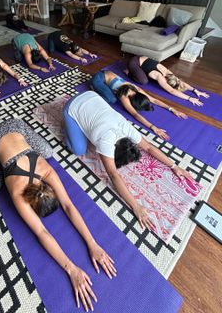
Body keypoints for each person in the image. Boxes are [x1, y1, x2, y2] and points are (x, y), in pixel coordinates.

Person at [0, 118, 117, 311]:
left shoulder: (46, 171)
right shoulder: (18, 193)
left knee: (49, 152)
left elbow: (68, 206)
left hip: (18, 127)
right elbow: (41, 232)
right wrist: (70, 268)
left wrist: (92, 243)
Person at [63, 91, 193, 230]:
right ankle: (68, 123)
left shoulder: (128, 131)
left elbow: (148, 147)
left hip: (93, 95)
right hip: (73, 105)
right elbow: (113, 174)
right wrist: (136, 206)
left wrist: (174, 166)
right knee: (79, 150)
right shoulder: (105, 142)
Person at [91, 70, 187, 140]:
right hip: (99, 78)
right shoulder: (124, 96)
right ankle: (93, 88)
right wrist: (153, 127)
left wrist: (172, 109)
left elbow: (154, 100)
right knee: (112, 99)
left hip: (109, 73)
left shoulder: (137, 90)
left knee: (113, 97)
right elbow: (135, 114)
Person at [126, 56, 210, 105]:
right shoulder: (160, 77)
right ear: (167, 82)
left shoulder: (170, 74)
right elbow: (172, 91)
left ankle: (142, 71)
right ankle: (128, 72)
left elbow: (180, 82)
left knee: (149, 77)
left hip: (143, 59)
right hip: (134, 62)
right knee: (144, 81)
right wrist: (190, 98)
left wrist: (195, 90)